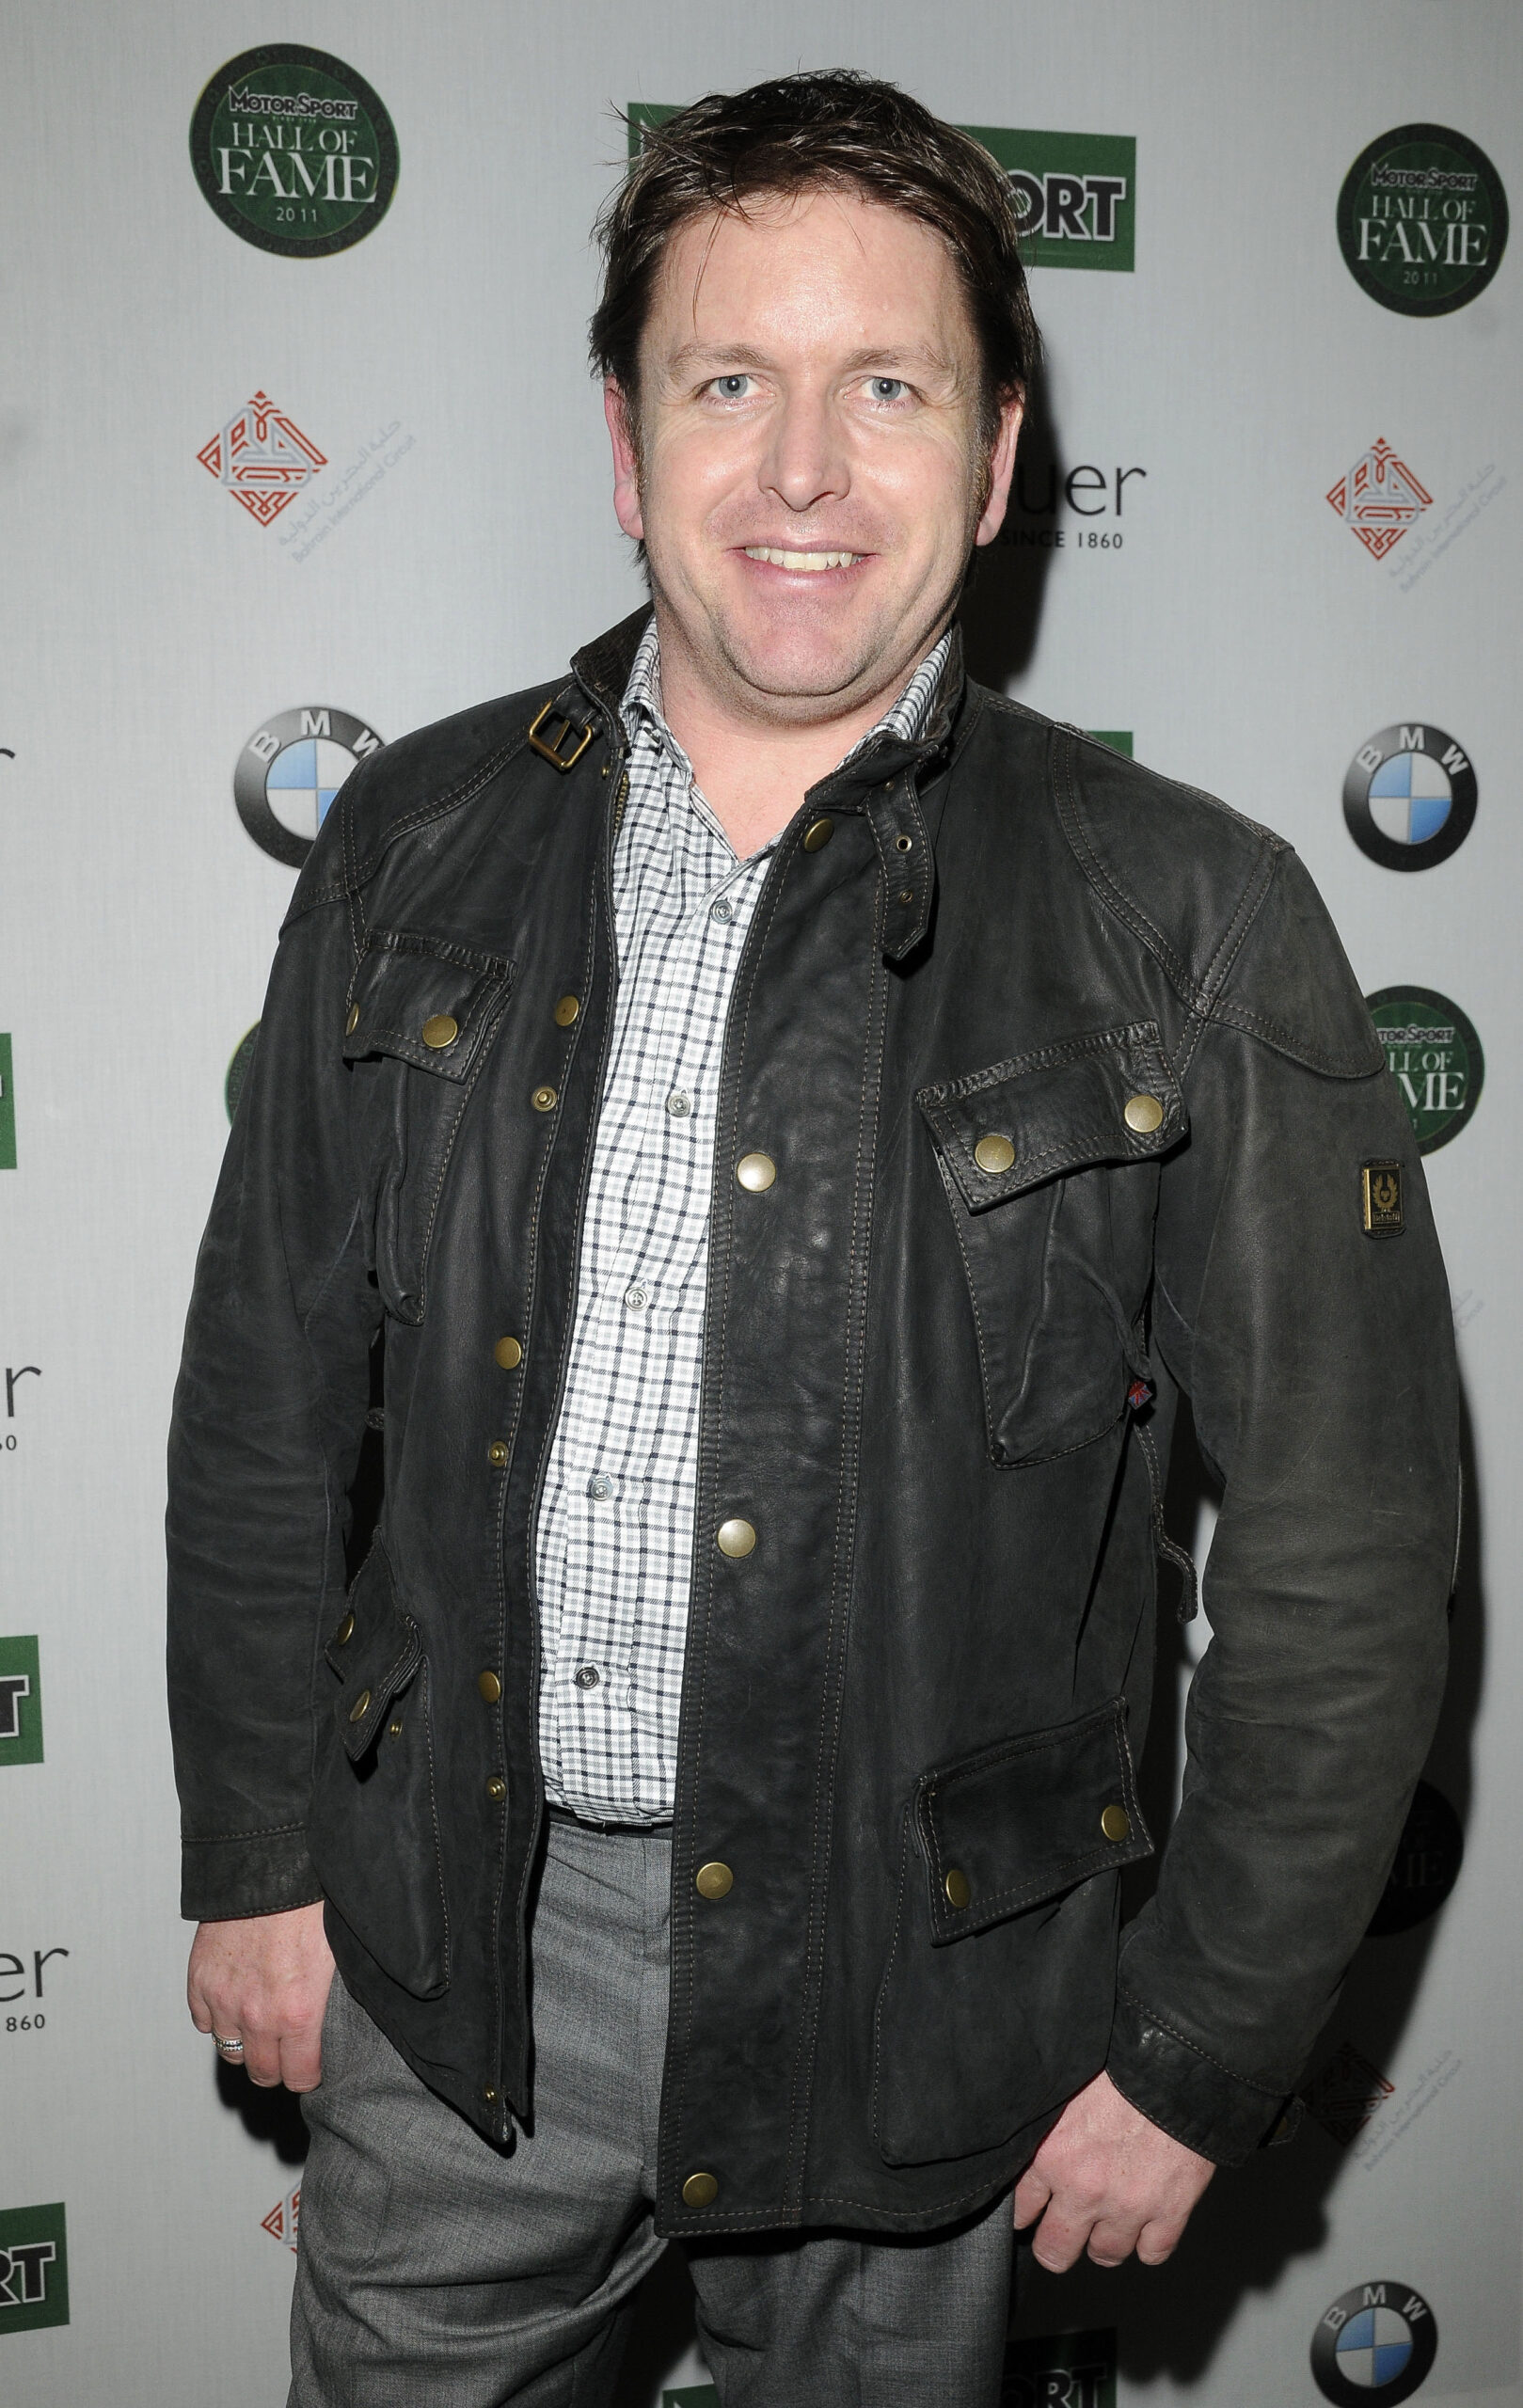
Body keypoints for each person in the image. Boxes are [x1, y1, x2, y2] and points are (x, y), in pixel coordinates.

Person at [167, 69, 1459, 2408]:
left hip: (935, 1986)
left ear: (990, 454)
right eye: (727, 379)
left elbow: (1345, 1553)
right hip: (466, 1955)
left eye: (887, 386)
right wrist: (256, 1843)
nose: (797, 468)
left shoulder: (1196, 915)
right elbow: (266, 1390)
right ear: (626, 431)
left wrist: (1205, 2040)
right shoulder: (409, 843)